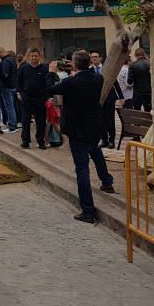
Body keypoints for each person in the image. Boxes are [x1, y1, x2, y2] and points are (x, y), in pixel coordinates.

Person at [47, 50, 114, 224]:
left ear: (75, 64)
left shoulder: (70, 82)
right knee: (96, 153)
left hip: (77, 128)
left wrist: (52, 72)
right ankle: (107, 181)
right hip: (93, 126)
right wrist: (75, 69)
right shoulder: (97, 78)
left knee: (82, 168)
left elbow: (50, 88)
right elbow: (84, 78)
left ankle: (88, 210)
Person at [18, 48, 50, 149]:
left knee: (40, 121)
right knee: (25, 120)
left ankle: (41, 141)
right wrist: (19, 93)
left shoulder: (44, 69)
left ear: (39, 56)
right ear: (28, 57)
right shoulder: (23, 68)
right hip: (26, 98)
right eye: (32, 56)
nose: (34, 58)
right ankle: (25, 141)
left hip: (40, 99)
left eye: (36, 56)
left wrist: (48, 97)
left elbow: (48, 84)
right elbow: (19, 82)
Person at [0, 48, 19, 132]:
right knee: (12, 106)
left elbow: (5, 74)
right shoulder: (12, 60)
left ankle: (12, 126)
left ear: (1, 53)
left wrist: (0, 78)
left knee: (9, 107)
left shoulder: (6, 61)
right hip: (13, 85)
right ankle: (14, 124)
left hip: (7, 86)